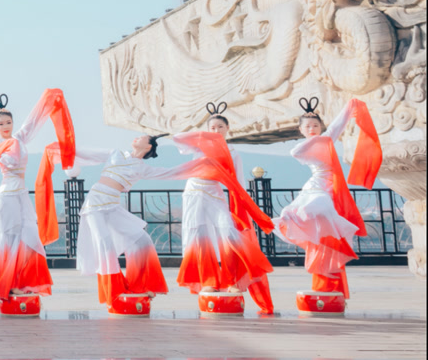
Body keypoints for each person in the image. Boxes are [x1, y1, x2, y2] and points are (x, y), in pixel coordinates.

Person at [54, 134, 269, 307]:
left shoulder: (143, 168)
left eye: (143, 137)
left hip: (112, 207)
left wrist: (202, 165)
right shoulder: (115, 154)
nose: (136, 138)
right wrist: (61, 148)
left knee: (142, 241)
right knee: (105, 246)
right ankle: (115, 293)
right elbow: (85, 154)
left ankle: (140, 285)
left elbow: (172, 172)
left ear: (148, 146)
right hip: (94, 205)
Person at [0, 89, 76, 301]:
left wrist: (47, 99)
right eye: (1, 124)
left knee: (29, 237)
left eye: (8, 122)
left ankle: (24, 281)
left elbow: (33, 120)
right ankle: (10, 285)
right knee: (9, 239)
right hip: (7, 196)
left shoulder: (20, 139)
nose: (6, 126)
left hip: (21, 196)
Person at [172, 102, 276, 313]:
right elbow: (178, 139)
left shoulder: (233, 152)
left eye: (220, 127)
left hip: (215, 194)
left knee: (228, 233)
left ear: (228, 129)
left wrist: (246, 206)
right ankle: (208, 279)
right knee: (200, 237)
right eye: (213, 127)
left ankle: (231, 281)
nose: (216, 131)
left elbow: (238, 181)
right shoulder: (199, 146)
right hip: (193, 192)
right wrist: (203, 135)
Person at [274, 97, 382, 299]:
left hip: (331, 189)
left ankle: (330, 277)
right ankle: (291, 224)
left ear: (320, 126)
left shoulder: (328, 138)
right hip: (316, 187)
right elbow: (295, 152)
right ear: (301, 130)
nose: (312, 128)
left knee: (325, 225)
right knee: (305, 212)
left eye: (316, 125)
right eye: (308, 126)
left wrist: (350, 107)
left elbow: (338, 124)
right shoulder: (308, 146)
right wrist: (318, 139)